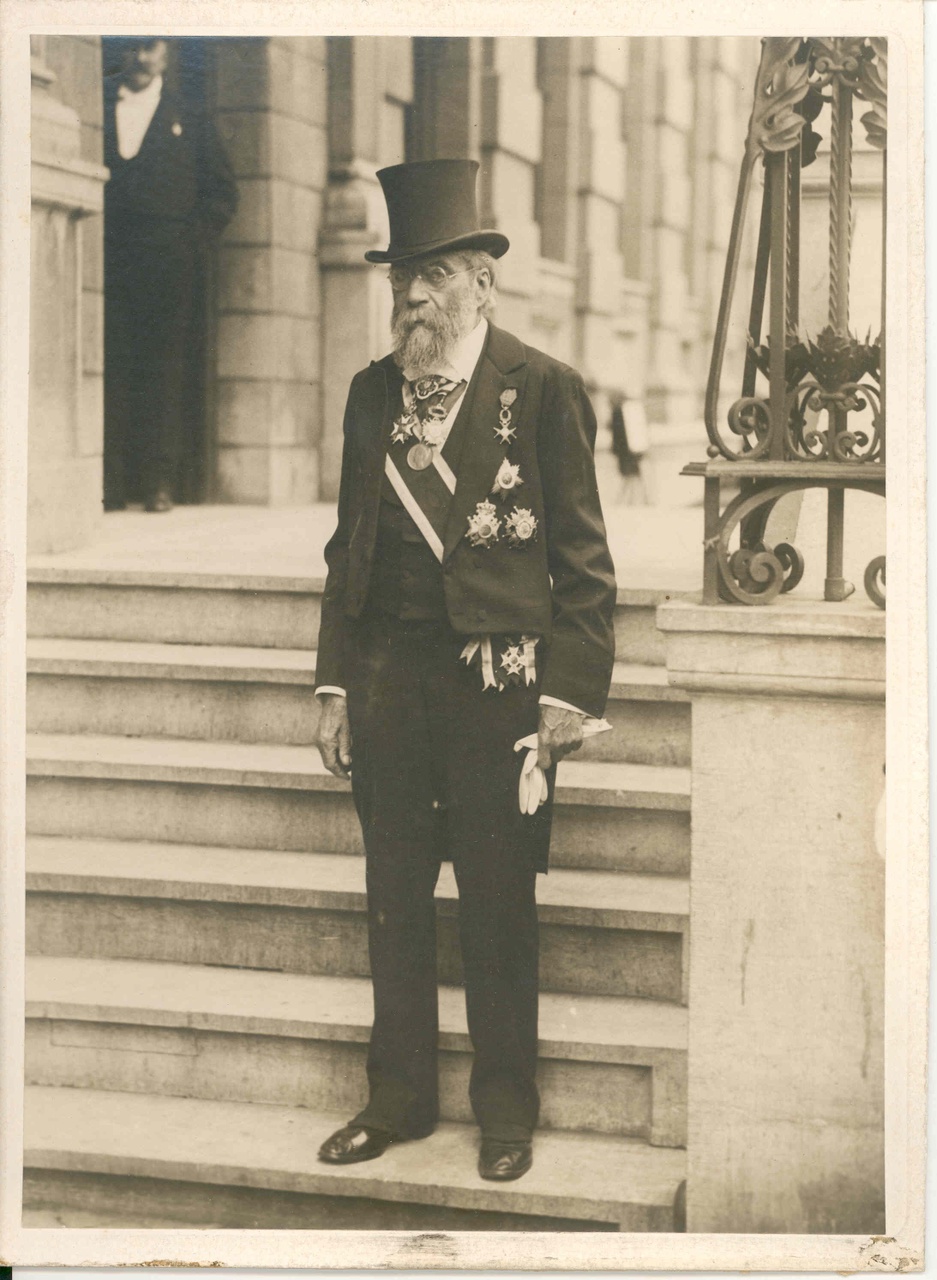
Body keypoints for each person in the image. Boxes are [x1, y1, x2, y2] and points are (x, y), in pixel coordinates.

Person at [314, 159, 617, 1182]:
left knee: (496, 903)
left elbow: (582, 561)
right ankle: (396, 1099)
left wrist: (570, 691)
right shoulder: (370, 394)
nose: (411, 295)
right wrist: (333, 684)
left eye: (434, 272)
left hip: (498, 696)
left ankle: (505, 1110)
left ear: (482, 282)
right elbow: (346, 547)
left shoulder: (544, 390)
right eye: (402, 274)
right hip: (391, 688)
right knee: (393, 898)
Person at [102, 37, 238, 513]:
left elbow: (222, 194)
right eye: (133, 46)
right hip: (108, 263)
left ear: (166, 53)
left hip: (168, 266)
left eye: (151, 46)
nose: (141, 57)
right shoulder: (98, 105)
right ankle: (110, 484)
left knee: (162, 369)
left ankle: (159, 483)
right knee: (111, 364)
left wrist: (188, 243)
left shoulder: (191, 117)